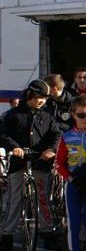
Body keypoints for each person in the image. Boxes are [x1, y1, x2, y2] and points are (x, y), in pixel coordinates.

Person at [0, 80, 61, 249]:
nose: (42, 101)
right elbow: (3, 134)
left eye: (45, 98)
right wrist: (14, 147)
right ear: (30, 95)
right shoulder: (13, 115)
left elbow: (56, 135)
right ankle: (7, 234)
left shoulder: (48, 115)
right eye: (39, 97)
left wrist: (51, 150)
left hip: (41, 161)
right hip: (18, 161)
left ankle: (48, 232)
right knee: (14, 198)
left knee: (43, 196)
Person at [54, 94, 86, 251]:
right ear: (73, 114)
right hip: (73, 185)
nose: (85, 119)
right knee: (73, 224)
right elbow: (58, 163)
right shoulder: (67, 136)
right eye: (81, 115)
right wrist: (70, 178)